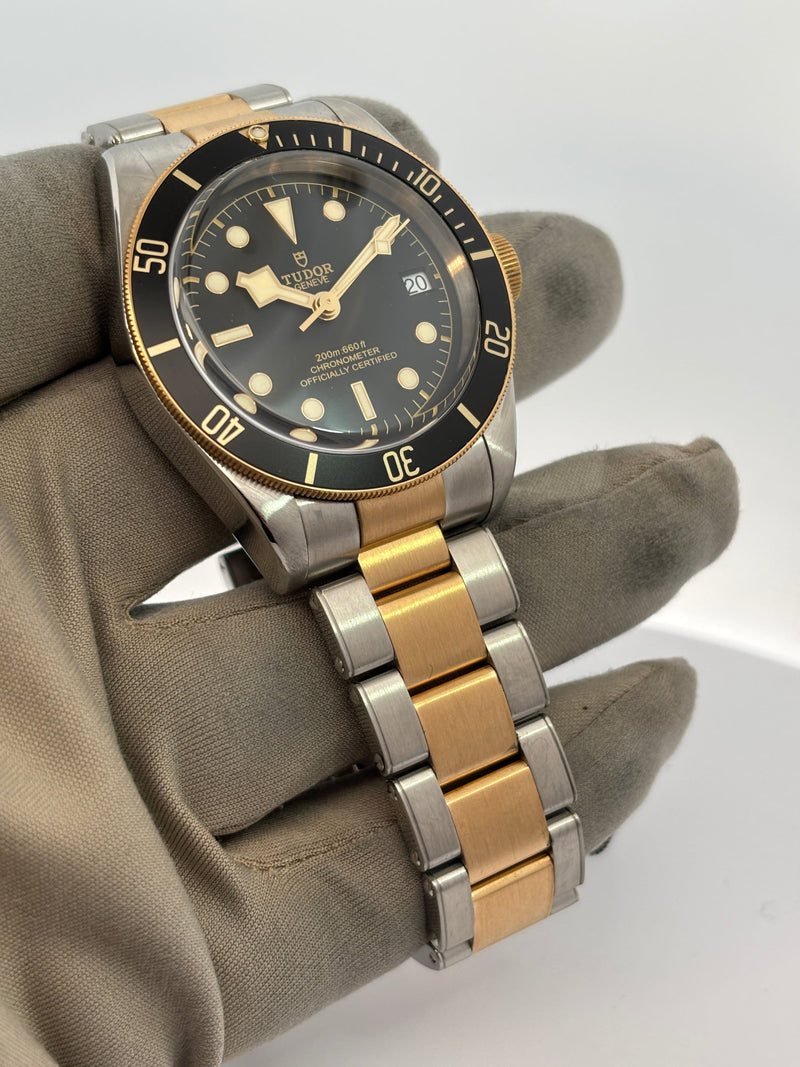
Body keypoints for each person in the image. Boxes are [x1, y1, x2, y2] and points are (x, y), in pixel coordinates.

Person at [0, 99, 738, 1065]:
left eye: (336, 298)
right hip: (293, 476)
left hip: (398, 444)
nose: (324, 313)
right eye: (303, 305)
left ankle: (492, 823)